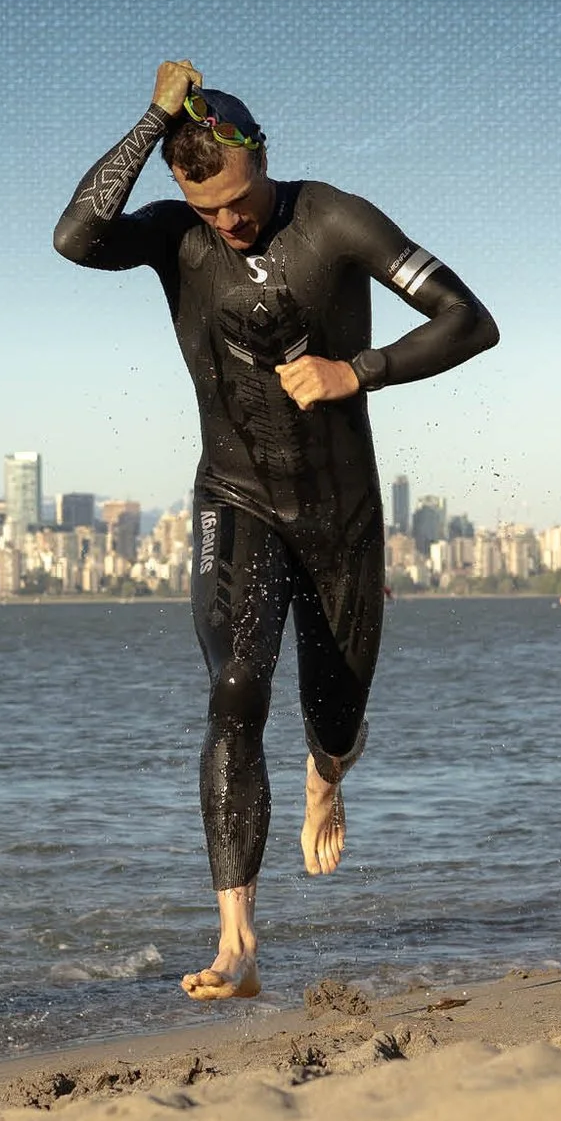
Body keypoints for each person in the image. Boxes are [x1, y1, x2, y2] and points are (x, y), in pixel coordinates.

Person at [54, 60, 498, 999]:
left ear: (263, 161)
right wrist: (150, 120)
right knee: (234, 690)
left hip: (342, 518)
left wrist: (358, 371)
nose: (229, 223)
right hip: (235, 497)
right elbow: (75, 236)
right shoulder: (176, 234)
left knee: (331, 719)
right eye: (208, 208)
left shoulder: (335, 218)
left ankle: (326, 770)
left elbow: (471, 320)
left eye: (239, 201)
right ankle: (239, 944)